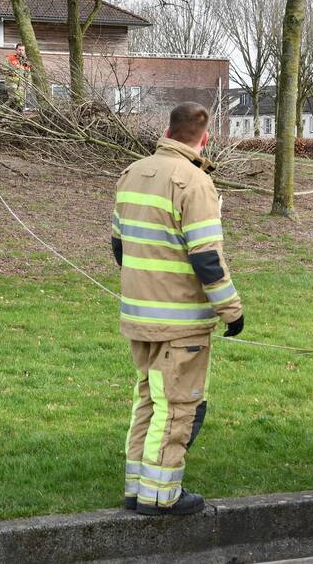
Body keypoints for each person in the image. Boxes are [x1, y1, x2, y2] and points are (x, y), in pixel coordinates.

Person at [110, 102, 244, 516]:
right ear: (203, 138)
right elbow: (207, 259)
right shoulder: (194, 182)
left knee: (148, 402)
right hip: (180, 321)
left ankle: (138, 489)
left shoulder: (132, 173)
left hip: (139, 315)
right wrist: (231, 311)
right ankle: (162, 495)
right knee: (178, 406)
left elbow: (119, 246)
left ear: (168, 129)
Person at [5, 43, 30, 110]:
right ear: (16, 50)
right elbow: (3, 69)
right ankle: (0, 112)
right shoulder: (10, 58)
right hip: (12, 83)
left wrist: (28, 82)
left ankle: (19, 116)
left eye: (22, 50)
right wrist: (12, 72)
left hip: (21, 85)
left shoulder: (26, 61)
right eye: (19, 49)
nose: (21, 51)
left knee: (20, 102)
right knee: (15, 99)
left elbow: (27, 73)